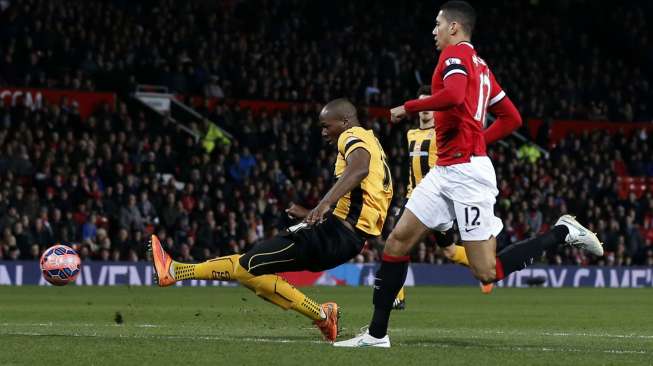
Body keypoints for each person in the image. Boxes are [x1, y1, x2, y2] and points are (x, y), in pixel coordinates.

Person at [334, 0, 602, 348]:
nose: (434, 31)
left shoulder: (454, 55)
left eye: (437, 24)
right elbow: (513, 119)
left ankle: (562, 232)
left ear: (454, 28)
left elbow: (455, 95)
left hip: (466, 175)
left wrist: (409, 107)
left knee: (486, 271)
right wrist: (478, 141)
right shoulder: (482, 67)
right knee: (397, 242)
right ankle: (377, 334)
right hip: (446, 169)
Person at [149, 98, 393, 342]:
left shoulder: (351, 136)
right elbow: (361, 200)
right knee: (251, 263)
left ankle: (321, 314)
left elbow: (359, 168)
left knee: (249, 265)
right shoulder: (372, 141)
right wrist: (314, 210)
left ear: (345, 121)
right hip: (340, 235)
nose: (324, 132)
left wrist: (323, 204)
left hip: (336, 236)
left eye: (326, 126)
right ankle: (176, 270)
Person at [393, 84, 489, 311]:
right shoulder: (411, 134)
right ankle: (396, 296)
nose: (425, 110)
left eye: (429, 104)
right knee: (397, 245)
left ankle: (488, 266)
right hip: (413, 197)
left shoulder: (443, 134)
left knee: (449, 251)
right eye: (422, 104)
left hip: (438, 201)